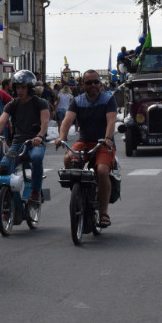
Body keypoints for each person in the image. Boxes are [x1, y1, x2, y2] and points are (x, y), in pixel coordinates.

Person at [55, 69, 117, 227]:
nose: (93, 85)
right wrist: (62, 137)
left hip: (103, 143)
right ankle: (79, 193)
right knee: (68, 159)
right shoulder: (77, 101)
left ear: (100, 83)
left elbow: (111, 122)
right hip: (84, 141)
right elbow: (67, 121)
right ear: (83, 85)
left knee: (102, 171)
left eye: (96, 82)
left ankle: (103, 213)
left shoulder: (108, 99)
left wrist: (109, 138)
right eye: (89, 83)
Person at [0, 70, 50, 202]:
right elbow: (1, 121)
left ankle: (35, 191)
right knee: (5, 165)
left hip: (35, 142)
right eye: (17, 87)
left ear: (30, 88)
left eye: (23, 87)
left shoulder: (40, 102)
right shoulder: (13, 104)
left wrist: (40, 136)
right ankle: (9, 199)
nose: (19, 90)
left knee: (36, 157)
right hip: (18, 143)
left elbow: (45, 122)